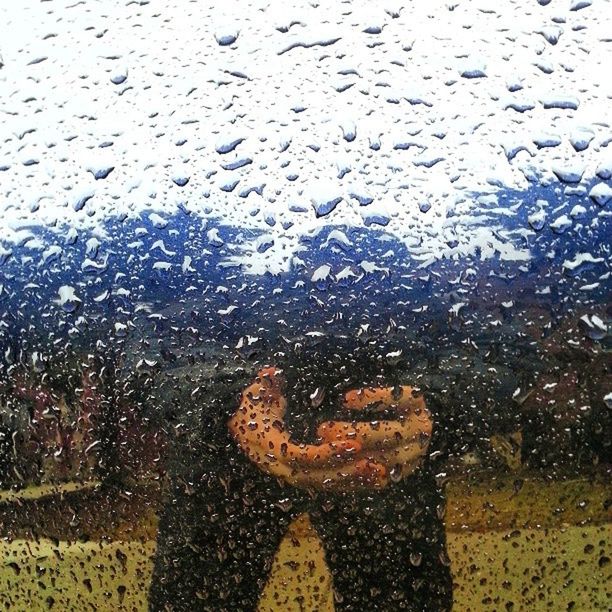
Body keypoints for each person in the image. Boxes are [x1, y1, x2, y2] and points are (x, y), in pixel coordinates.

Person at [149, 336, 453, 611]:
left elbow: (488, 336)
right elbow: (149, 330)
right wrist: (221, 403)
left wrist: (438, 407)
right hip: (228, 451)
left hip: (388, 440)